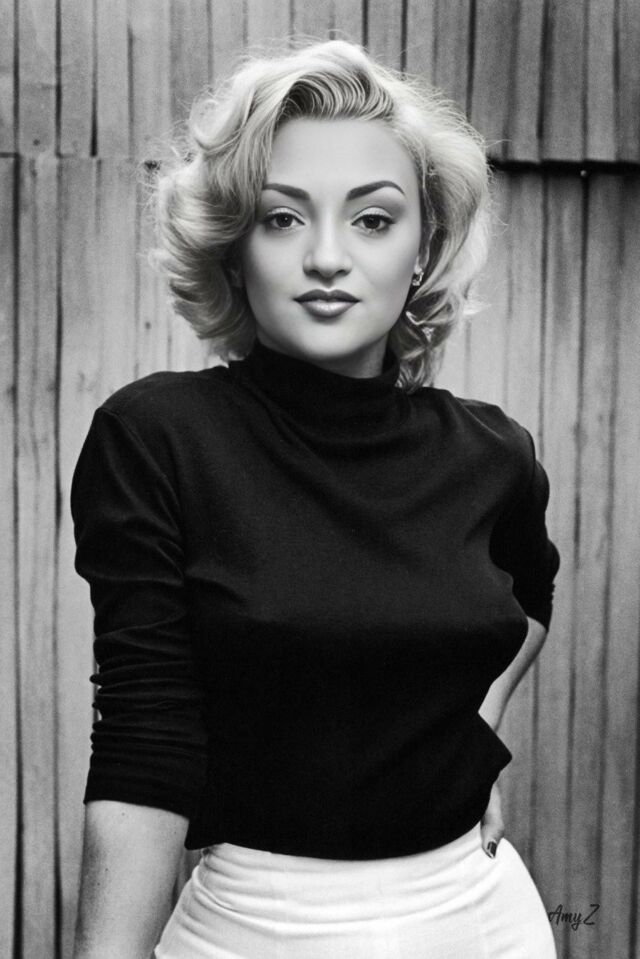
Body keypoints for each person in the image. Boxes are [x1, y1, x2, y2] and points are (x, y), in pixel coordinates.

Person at [70, 38, 560, 959]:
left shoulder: (494, 453)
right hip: (256, 923)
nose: (327, 256)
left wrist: (472, 730)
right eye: (283, 218)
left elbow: (530, 599)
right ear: (234, 246)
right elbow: (145, 741)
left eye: (373, 219)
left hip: (483, 917)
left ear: (424, 249)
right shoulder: (159, 438)